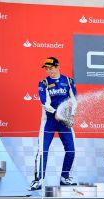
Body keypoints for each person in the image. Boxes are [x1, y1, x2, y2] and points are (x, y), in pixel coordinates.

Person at [29, 57, 78, 190]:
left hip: (64, 121)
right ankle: (38, 180)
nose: (48, 71)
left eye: (51, 68)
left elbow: (74, 100)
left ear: (57, 66)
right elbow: (44, 102)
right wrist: (56, 112)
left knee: (71, 150)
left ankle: (65, 177)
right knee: (42, 151)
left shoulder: (68, 81)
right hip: (49, 121)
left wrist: (71, 115)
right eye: (46, 68)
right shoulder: (43, 83)